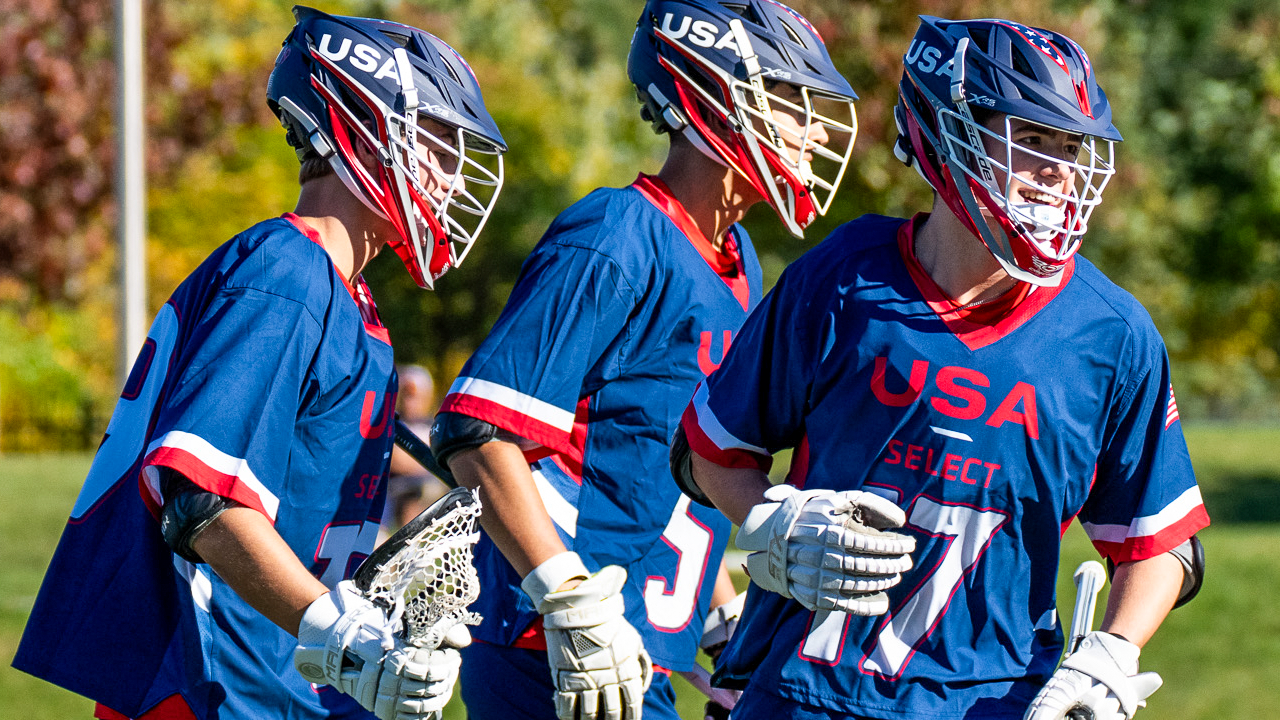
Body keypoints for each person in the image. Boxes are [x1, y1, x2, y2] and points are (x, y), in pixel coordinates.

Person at [673, 15, 1211, 720]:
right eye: (1033, 138)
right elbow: (710, 451)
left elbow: (1159, 542)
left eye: (1071, 146)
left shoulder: (1110, 334)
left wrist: (1114, 651)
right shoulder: (841, 280)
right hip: (808, 693)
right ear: (949, 135)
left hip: (993, 700)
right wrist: (772, 520)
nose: (1059, 170)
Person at [13, 7, 506, 720]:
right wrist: (347, 637)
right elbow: (203, 502)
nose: (450, 174)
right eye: (432, 140)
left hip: (277, 683)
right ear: (362, 129)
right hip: (213, 687)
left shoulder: (345, 301)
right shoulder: (286, 273)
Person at [425, 2, 859, 720]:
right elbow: (478, 433)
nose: (815, 128)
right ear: (716, 97)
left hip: (634, 648)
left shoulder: (736, 259)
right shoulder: (618, 233)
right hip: (551, 648)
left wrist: (716, 619)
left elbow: (645, 474)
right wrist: (565, 598)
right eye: (791, 100)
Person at [383, 364, 449, 534]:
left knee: (418, 494)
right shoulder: (391, 424)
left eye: (414, 396)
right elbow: (395, 461)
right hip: (392, 491)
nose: (409, 402)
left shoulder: (435, 427)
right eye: (405, 395)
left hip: (423, 490)